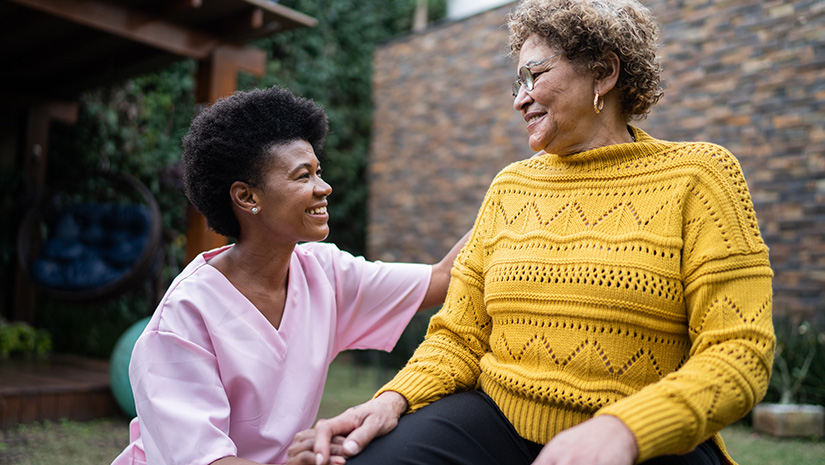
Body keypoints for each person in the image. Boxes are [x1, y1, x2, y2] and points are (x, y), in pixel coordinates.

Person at [306, 1, 775, 464]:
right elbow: (458, 337)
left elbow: (740, 351)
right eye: (517, 83)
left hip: (644, 438)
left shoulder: (699, 176)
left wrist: (624, 430)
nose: (519, 98)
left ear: (604, 73)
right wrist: (393, 400)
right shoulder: (510, 186)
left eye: (535, 75)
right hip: (496, 420)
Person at [110, 86, 469, 465]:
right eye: (303, 177)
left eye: (319, 172)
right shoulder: (184, 318)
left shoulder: (325, 273)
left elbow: (444, 277)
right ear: (247, 198)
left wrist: (516, 192)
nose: (324, 187)